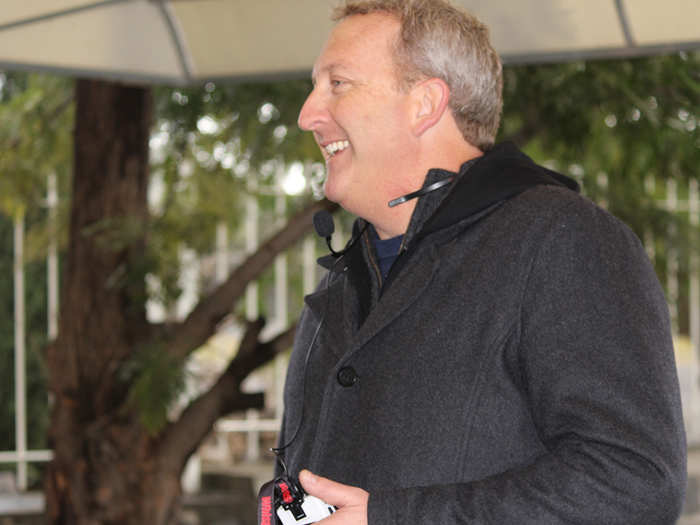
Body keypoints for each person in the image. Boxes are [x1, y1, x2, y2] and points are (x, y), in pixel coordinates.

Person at [278, 0, 687, 523]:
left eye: (338, 84)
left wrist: (400, 517)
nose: (307, 114)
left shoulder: (560, 240)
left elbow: (634, 481)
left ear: (424, 103)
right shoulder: (343, 278)